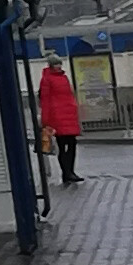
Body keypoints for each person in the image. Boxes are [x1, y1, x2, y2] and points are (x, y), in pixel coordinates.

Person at [36, 54, 83, 192]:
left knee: (72, 144)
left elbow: (69, 96)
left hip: (68, 115)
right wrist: (45, 121)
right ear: (51, 65)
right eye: (56, 64)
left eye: (59, 64)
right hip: (57, 117)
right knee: (62, 146)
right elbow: (45, 101)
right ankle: (67, 172)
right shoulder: (47, 80)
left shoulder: (64, 77)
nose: (59, 66)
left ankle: (70, 171)